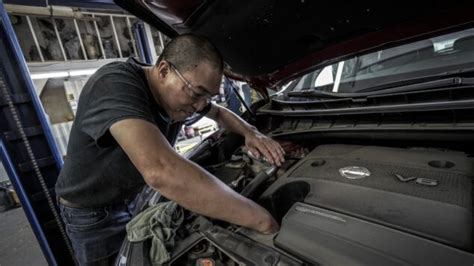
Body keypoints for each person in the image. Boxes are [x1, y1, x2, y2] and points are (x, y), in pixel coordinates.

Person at [55, 34, 284, 265]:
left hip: (135, 196)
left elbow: (219, 113)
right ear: (164, 70)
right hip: (94, 214)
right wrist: (259, 219)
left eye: (207, 96)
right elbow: (160, 170)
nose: (199, 106)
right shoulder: (114, 84)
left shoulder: (177, 94)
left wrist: (250, 132)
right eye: (197, 93)